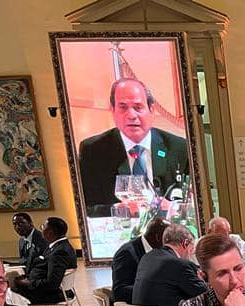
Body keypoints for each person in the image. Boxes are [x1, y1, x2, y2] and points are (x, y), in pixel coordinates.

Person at [77, 78, 190, 217]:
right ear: (112, 110)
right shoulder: (93, 151)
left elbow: (195, 201)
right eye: (123, 107)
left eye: (138, 107)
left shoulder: (179, 148)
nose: (131, 115)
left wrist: (174, 207)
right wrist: (117, 210)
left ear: (151, 110)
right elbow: (84, 208)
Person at [131, 223, 207, 306]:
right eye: (191, 249)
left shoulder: (147, 257)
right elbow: (205, 293)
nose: (190, 255)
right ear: (185, 243)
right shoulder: (178, 264)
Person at [110, 218, 169, 306]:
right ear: (158, 237)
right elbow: (120, 290)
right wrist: (153, 290)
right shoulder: (127, 253)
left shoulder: (160, 251)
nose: (170, 243)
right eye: (168, 238)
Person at [9, 217, 78, 304]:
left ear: (50, 232)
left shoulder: (60, 252)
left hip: (51, 294)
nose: (41, 230)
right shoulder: (56, 246)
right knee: (10, 281)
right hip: (42, 287)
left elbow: (52, 283)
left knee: (8, 292)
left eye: (43, 227)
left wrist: (28, 282)